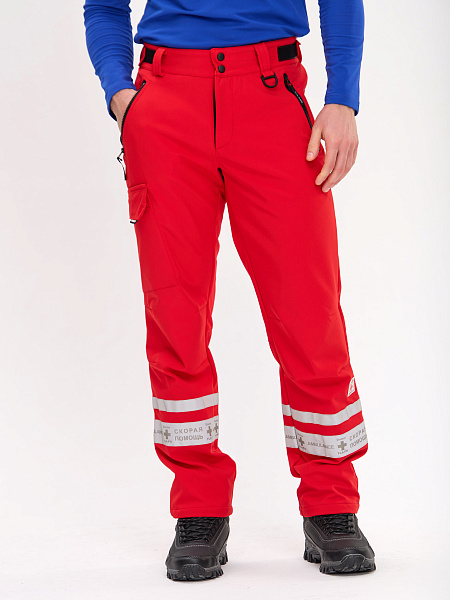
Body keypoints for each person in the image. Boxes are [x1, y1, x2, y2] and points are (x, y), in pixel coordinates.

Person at [83, 0, 376, 581]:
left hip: (272, 97)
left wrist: (343, 96)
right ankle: (198, 509)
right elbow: (104, 5)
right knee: (176, 317)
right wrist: (120, 95)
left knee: (309, 313)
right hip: (166, 103)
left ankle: (331, 503)